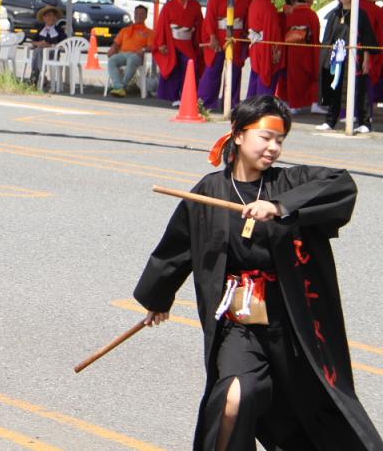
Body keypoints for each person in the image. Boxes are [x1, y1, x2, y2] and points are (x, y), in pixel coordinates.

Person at [134, 95, 383, 451]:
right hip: (239, 325)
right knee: (234, 399)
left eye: (280, 139)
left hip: (292, 326)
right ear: (237, 135)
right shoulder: (210, 190)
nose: (274, 147)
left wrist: (280, 207)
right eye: (265, 137)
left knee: (315, 416)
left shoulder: (287, 184)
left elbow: (340, 185)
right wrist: (158, 297)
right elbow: (178, 247)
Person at [317, 0, 379, 133]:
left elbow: (366, 38)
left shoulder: (361, 14)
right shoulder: (334, 14)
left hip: (355, 58)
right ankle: (330, 121)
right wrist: (326, 57)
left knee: (360, 89)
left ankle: (365, 122)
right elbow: (328, 38)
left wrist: (366, 59)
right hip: (336, 59)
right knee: (334, 88)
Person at [198, 0, 252, 110]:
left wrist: (247, 34)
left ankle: (231, 104)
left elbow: (249, 19)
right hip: (218, 36)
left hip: (236, 38)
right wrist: (212, 36)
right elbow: (209, 18)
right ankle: (204, 102)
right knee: (212, 70)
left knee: (234, 71)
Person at [153, 0, 204, 106]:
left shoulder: (195, 5)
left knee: (190, 66)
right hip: (172, 41)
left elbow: (200, 24)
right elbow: (162, 25)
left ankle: (188, 95)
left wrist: (201, 41)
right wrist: (161, 44)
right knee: (174, 68)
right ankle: (174, 96)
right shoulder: (169, 6)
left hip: (188, 41)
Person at [280, 0, 320, 112]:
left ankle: (293, 105)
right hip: (307, 49)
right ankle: (313, 103)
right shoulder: (311, 14)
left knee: (293, 77)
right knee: (310, 76)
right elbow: (315, 35)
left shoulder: (290, 13)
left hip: (292, 49)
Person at [246, 0, 287, 99]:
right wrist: (276, 52)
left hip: (257, 45)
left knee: (255, 76)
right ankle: (261, 108)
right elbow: (272, 32)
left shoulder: (256, 3)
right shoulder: (267, 6)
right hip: (265, 47)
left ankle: (250, 107)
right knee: (265, 76)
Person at [106, 5, 153, 97]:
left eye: (142, 14)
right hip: (123, 54)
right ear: (134, 15)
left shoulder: (149, 32)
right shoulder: (125, 30)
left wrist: (143, 49)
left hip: (137, 55)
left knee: (132, 59)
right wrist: (112, 49)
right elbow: (116, 43)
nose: (139, 16)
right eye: (137, 13)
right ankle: (119, 87)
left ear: (146, 16)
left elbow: (151, 46)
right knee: (112, 60)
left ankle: (121, 87)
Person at [29, 5, 67, 87]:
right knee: (38, 50)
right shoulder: (41, 29)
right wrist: (39, 44)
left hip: (52, 54)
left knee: (37, 51)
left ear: (56, 18)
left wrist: (49, 45)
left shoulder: (59, 30)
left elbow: (64, 45)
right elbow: (33, 41)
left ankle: (37, 76)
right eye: (47, 16)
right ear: (44, 18)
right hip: (40, 53)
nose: (50, 18)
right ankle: (41, 76)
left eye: (52, 15)